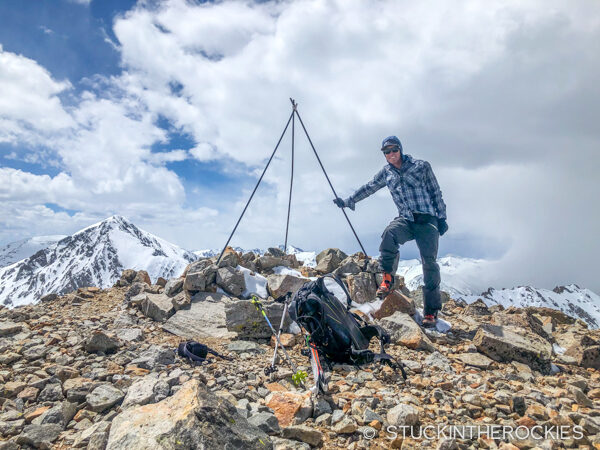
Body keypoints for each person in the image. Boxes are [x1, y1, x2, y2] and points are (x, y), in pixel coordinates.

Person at [334, 136, 448, 328]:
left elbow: (435, 191)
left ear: (400, 149)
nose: (390, 154)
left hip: (427, 220)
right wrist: (348, 201)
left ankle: (430, 312)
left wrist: (442, 217)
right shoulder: (386, 173)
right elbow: (369, 187)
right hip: (406, 219)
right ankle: (387, 278)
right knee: (390, 234)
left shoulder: (421, 166)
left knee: (429, 264)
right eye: (386, 152)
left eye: (393, 150)